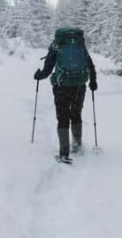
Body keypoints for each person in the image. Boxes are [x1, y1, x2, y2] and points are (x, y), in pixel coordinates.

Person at [34, 28, 97, 161]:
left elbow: (47, 69)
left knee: (62, 117)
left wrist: (39, 75)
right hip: (79, 85)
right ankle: (77, 145)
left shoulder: (56, 45)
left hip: (61, 86)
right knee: (76, 114)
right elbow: (90, 64)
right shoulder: (80, 44)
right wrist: (93, 81)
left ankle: (64, 154)